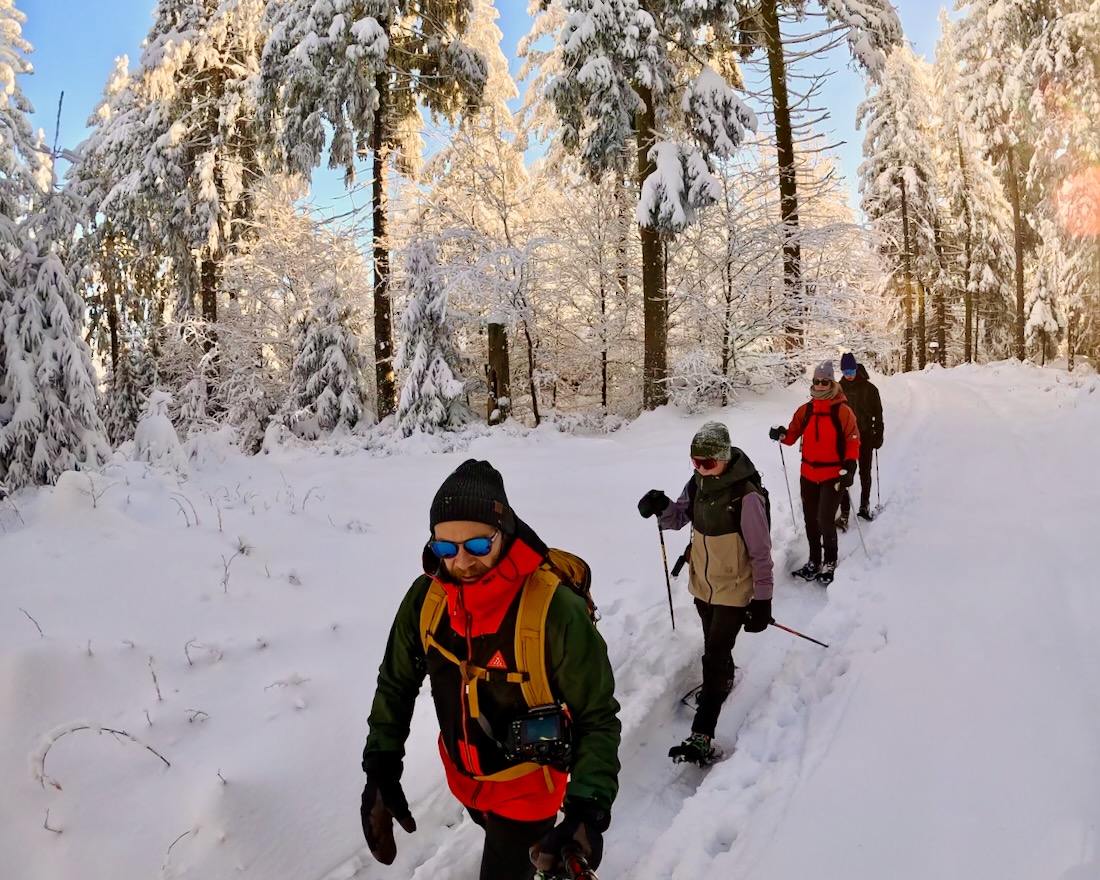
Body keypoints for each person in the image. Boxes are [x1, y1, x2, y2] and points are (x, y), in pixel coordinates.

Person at [361, 459, 621, 880]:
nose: (461, 561)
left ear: (505, 533)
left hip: (529, 791)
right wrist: (381, 762)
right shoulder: (426, 599)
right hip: (466, 781)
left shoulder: (555, 611)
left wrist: (586, 809)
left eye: (478, 545)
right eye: (446, 548)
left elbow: (598, 718)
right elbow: (396, 682)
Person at [637, 421, 774, 765]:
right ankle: (724, 678)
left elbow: (760, 552)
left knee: (713, 653)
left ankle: (702, 733)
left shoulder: (746, 496)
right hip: (703, 583)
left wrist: (762, 599)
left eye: (707, 463)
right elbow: (678, 518)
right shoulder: (697, 484)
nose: (700, 468)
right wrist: (661, 505)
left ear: (724, 458)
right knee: (713, 643)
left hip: (734, 587)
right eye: (694, 461)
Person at [768, 361, 860, 586]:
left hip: (833, 475)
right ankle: (813, 560)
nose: (820, 385)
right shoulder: (806, 410)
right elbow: (791, 437)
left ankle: (830, 561)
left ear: (832, 382)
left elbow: (853, 440)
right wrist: (780, 434)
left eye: (824, 381)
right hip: (808, 474)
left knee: (825, 519)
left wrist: (850, 466)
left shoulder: (842, 410)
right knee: (810, 521)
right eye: (816, 381)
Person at [836, 352, 884, 527]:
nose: (848, 374)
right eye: (845, 370)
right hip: (845, 439)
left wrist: (879, 435)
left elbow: (878, 414)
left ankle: (864, 505)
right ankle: (845, 513)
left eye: (851, 370)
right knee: (845, 474)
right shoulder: (837, 389)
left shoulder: (870, 389)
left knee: (865, 472)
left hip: (865, 436)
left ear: (856, 368)